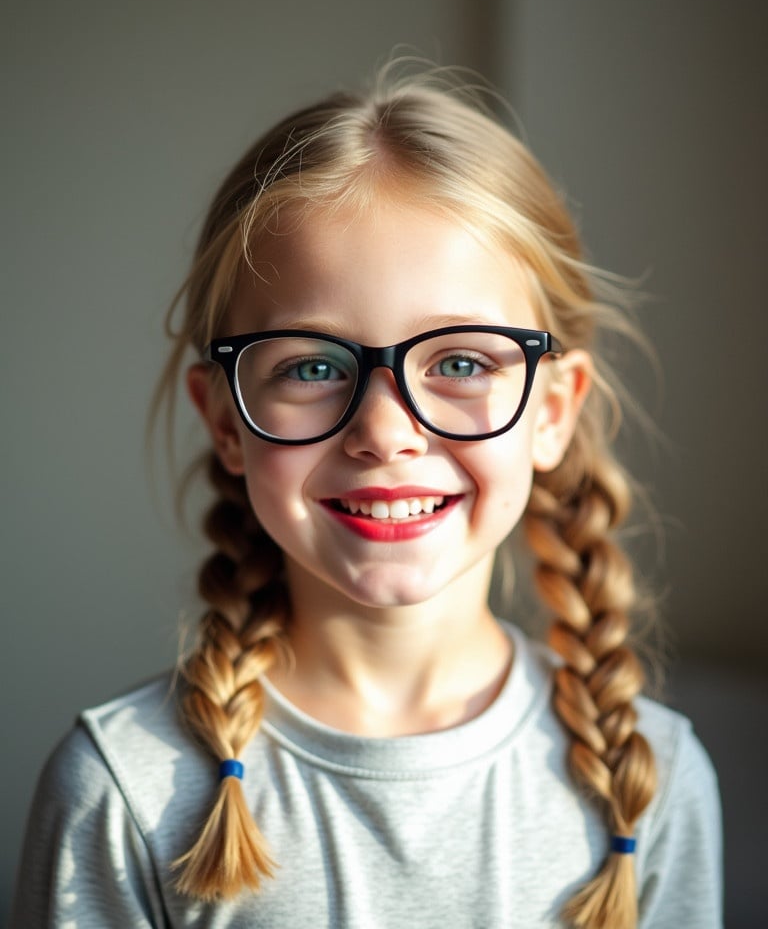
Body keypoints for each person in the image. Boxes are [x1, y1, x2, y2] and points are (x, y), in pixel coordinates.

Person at [11, 64, 722, 928]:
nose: (385, 432)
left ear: (552, 409)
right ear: (227, 420)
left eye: (461, 362)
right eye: (312, 366)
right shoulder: (120, 791)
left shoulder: (656, 782)